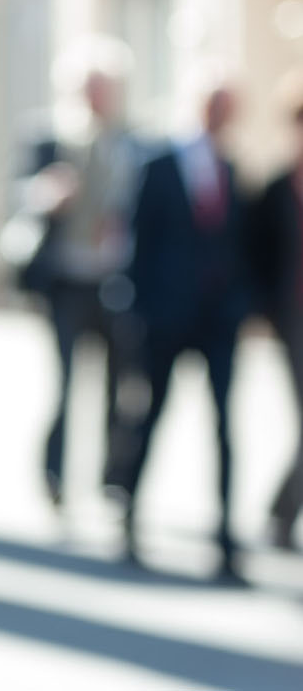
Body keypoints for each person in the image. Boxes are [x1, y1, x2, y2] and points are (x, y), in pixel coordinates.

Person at [114, 83, 249, 580]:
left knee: (225, 427)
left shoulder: (231, 171)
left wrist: (239, 305)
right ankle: (129, 516)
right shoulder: (160, 165)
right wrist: (138, 310)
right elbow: (137, 241)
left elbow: (238, 245)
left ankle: (226, 536)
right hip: (166, 318)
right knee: (151, 415)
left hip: (217, 321)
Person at [17, 43, 146, 510]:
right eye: (89, 90)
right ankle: (55, 475)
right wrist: (45, 196)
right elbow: (21, 193)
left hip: (113, 279)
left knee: (119, 385)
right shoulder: (50, 138)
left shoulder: (131, 143)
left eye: (103, 89)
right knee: (67, 382)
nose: (97, 99)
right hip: (66, 279)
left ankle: (111, 478)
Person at [247, 74, 303, 552]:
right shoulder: (277, 189)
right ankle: (281, 514)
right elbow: (258, 257)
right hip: (294, 318)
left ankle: (280, 511)